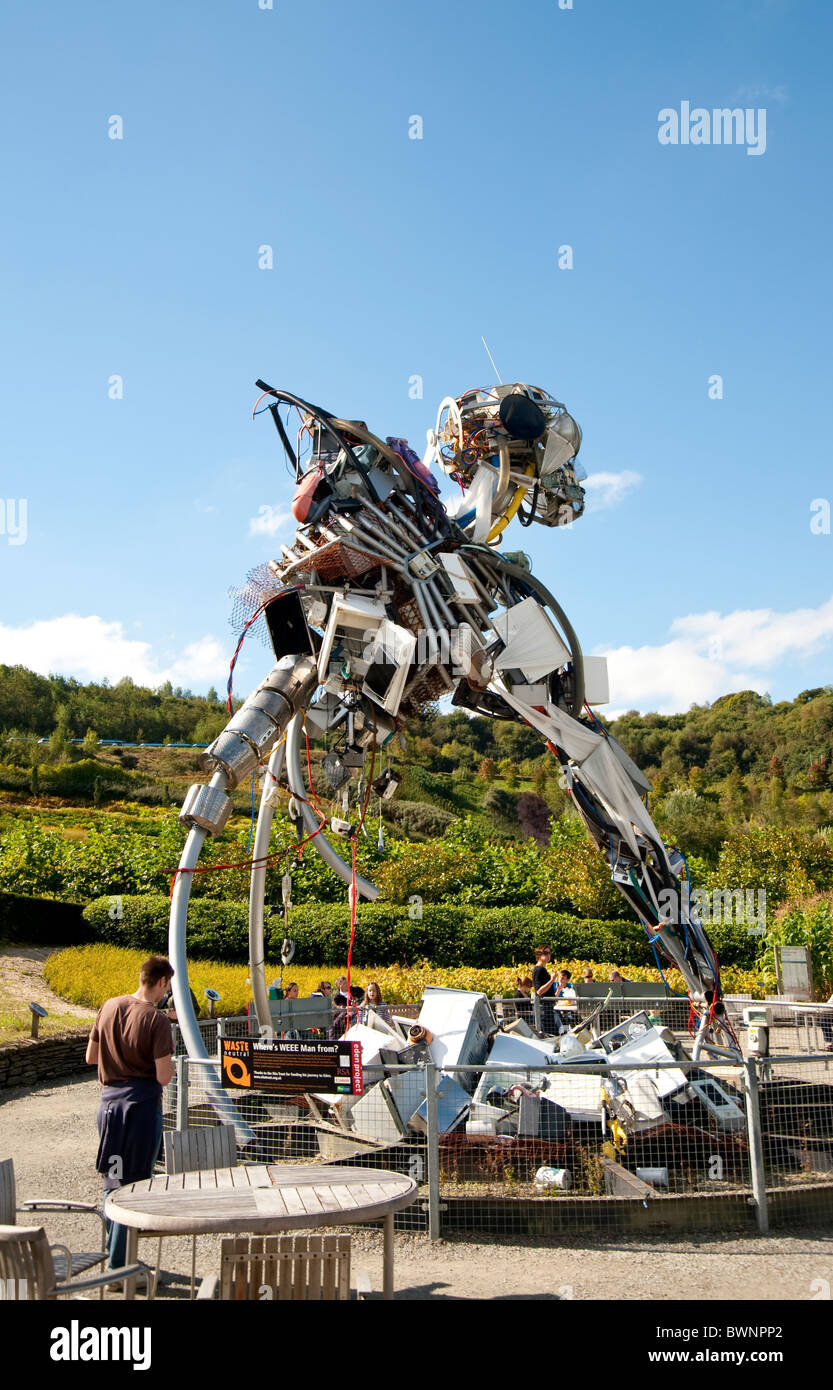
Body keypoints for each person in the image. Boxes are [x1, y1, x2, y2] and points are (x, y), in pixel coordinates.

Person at [85, 955, 175, 1275]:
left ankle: (115, 1256)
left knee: (113, 1180)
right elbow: (164, 1077)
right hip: (139, 1108)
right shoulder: (157, 1021)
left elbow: (91, 1056)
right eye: (169, 984)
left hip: (109, 1108)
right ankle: (120, 1267)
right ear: (163, 982)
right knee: (134, 1187)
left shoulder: (109, 1006)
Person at [532, 946, 558, 1035]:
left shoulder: (543, 969)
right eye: (546, 953)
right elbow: (539, 991)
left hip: (548, 1006)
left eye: (549, 953)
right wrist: (552, 979)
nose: (548, 955)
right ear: (539, 955)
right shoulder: (539, 970)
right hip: (544, 1007)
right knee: (550, 1033)